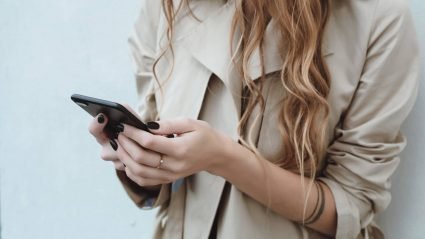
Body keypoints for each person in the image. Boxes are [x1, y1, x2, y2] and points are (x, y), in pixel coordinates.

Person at [88, 0, 420, 238]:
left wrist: (224, 158)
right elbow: (163, 187)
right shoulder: (168, 7)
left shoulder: (377, 18)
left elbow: (351, 205)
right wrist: (137, 160)